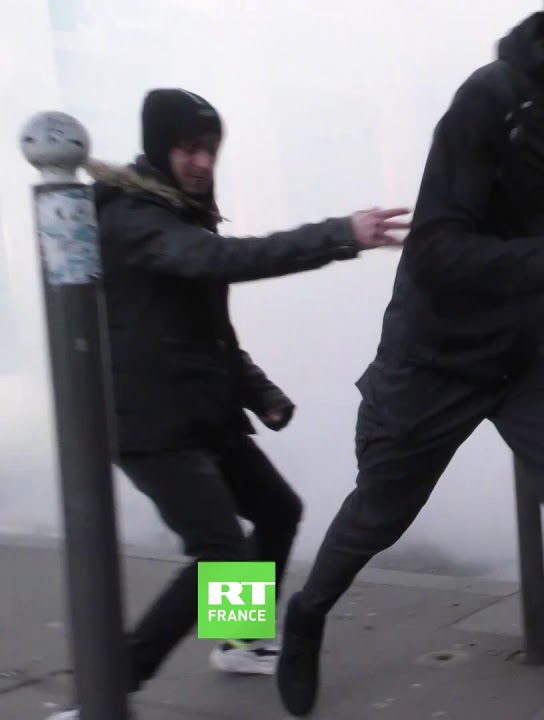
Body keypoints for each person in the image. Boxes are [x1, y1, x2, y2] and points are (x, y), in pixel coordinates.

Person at [273, 2, 544, 719]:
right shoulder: (489, 99)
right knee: (293, 524)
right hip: (416, 365)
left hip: (516, 350)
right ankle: (278, 622)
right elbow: (222, 259)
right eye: (189, 150)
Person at [46, 88, 408, 720]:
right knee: (219, 552)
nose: (201, 162)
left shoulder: (182, 212)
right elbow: (226, 261)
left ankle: (237, 639)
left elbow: (207, 329)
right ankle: (107, 691)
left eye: (210, 149)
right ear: (161, 146)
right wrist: (339, 235)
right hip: (148, 422)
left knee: (277, 510)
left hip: (198, 411)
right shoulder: (135, 219)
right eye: (188, 148)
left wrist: (257, 393)